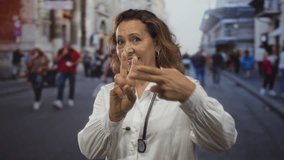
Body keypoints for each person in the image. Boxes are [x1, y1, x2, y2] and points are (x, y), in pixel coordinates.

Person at [78, 9, 237, 160]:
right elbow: (89, 150)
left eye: (135, 39)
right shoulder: (108, 93)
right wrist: (113, 117)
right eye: (120, 42)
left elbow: (223, 141)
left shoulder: (183, 89)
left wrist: (193, 97)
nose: (127, 49)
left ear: (157, 44)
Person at [53, 43, 81, 109]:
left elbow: (79, 59)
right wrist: (63, 54)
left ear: (70, 46)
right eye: (65, 45)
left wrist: (73, 63)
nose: (66, 46)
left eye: (68, 45)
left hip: (72, 71)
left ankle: (70, 99)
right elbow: (56, 60)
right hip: (62, 71)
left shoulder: (74, 52)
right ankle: (59, 100)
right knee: (61, 84)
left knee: (72, 85)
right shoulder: (60, 51)